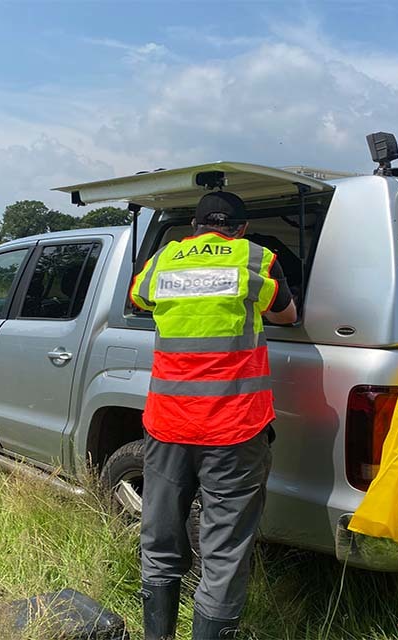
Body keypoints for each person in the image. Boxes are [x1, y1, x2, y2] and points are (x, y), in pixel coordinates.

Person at [130, 190, 297, 640]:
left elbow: (139, 298)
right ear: (241, 229)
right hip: (235, 429)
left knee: (160, 539)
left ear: (193, 227)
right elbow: (287, 314)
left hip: (167, 426)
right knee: (223, 553)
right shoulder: (257, 259)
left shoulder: (165, 259)